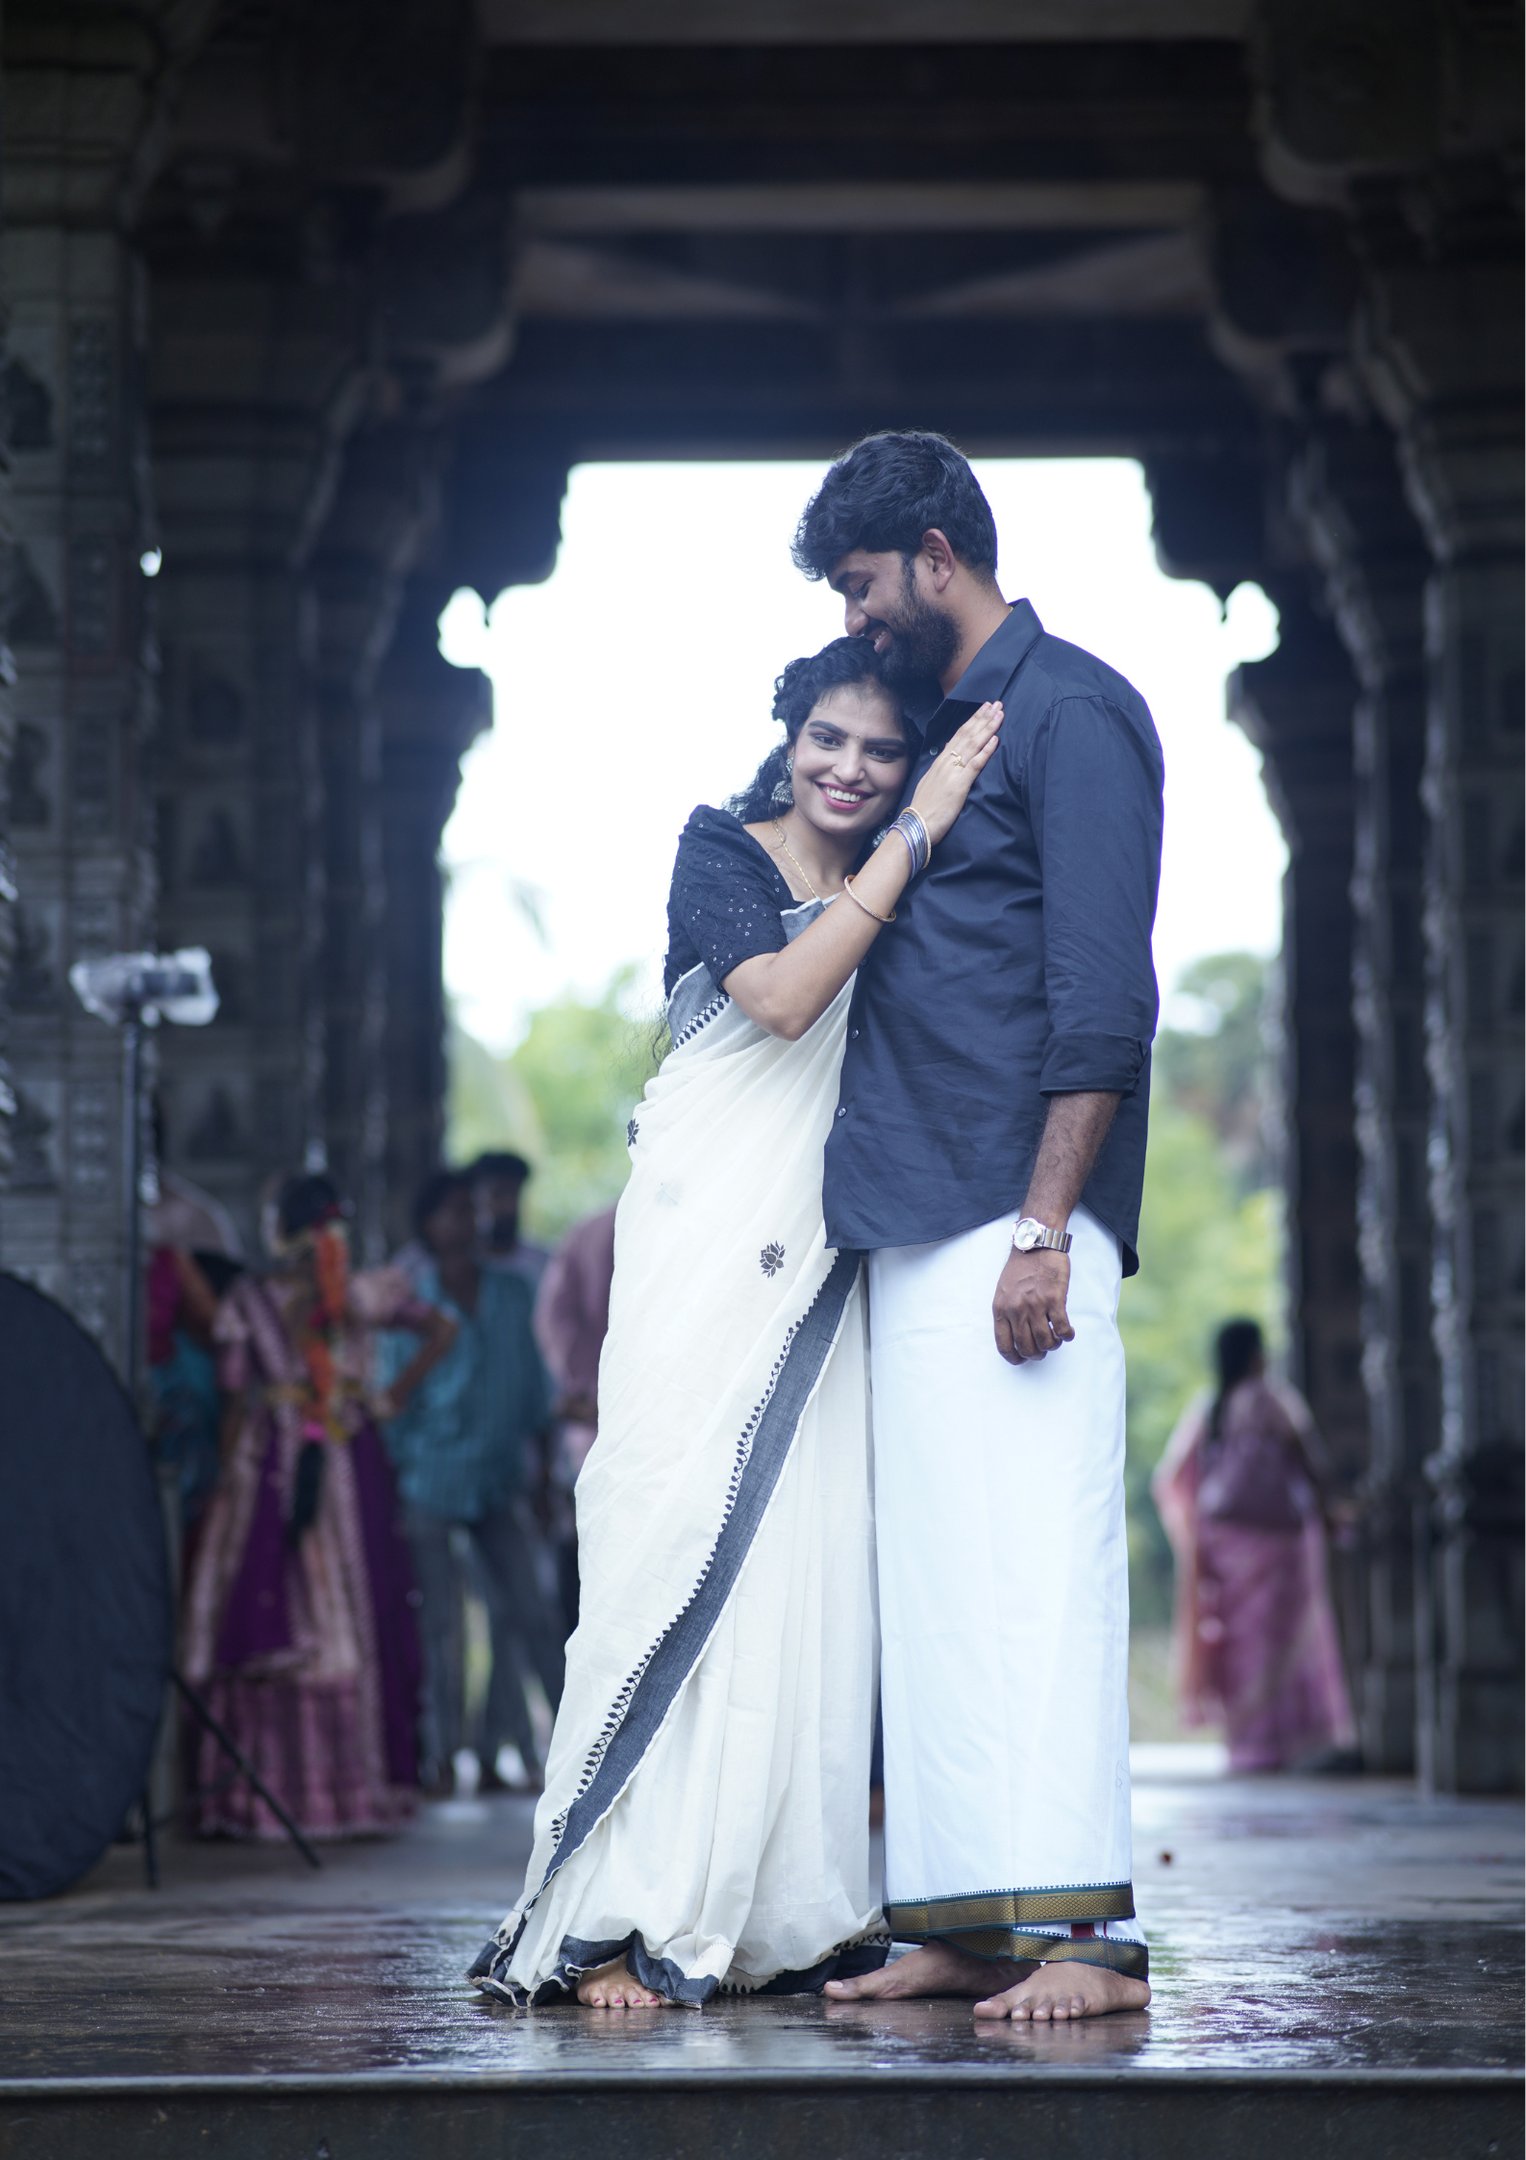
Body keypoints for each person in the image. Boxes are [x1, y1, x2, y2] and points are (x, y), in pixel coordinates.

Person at [470, 637, 1000, 2009]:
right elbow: (774, 999)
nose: (848, 769)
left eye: (882, 751)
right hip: (705, 1239)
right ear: (788, 735)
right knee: (666, 1521)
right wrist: (919, 829)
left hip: (821, 1258)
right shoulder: (721, 847)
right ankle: (612, 1910)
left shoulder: (904, 884)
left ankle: (773, 1908)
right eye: (828, 738)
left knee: (802, 1557)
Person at [795, 432, 1161, 2023]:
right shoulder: (933, 735)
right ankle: (965, 1924)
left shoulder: (1070, 711)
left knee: (1042, 1578)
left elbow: (1103, 992)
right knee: (941, 1594)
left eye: (863, 586)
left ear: (936, 557)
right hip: (910, 1209)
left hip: (1017, 1221)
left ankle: (1087, 1940)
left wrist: (1044, 1227)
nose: (855, 619)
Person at [180, 1173, 452, 1838]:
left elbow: (235, 1400)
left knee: (266, 1602)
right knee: (352, 1614)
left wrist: (224, 1486)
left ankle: (262, 1796)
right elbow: (441, 1329)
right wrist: (386, 1397)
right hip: (346, 1456)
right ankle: (350, 1792)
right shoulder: (354, 1293)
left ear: (279, 1227)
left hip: (268, 1467)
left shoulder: (252, 1300)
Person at [380, 1170, 566, 1799]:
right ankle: (439, 1756)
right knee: (440, 1625)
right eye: (455, 1211)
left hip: (500, 1477)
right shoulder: (412, 1298)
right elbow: (392, 1395)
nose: (469, 1222)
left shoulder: (514, 1292)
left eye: (472, 1211)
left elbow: (534, 1389)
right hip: (429, 1479)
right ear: (429, 1224)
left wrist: (543, 1473)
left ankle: (568, 1752)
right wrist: (400, 1471)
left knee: (529, 1614)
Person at [1152, 1318, 1357, 1773]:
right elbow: (1308, 1456)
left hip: (1224, 1545)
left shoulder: (1209, 1409)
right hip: (1281, 1542)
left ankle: (1247, 1741)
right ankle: (1285, 1743)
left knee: (1241, 1643)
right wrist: (1327, 1509)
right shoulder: (1271, 1399)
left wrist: (1195, 1533)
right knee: (1285, 1643)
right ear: (1255, 1355)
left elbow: (1171, 1477)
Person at [534, 1201, 618, 1633]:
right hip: (607, 1431)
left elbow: (555, 1320)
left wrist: (586, 1389)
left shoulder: (589, 1232)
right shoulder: (601, 1231)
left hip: (594, 1431)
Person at [470, 1151, 552, 1289]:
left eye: (513, 1194)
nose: (508, 1205)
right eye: (497, 1194)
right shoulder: (459, 1265)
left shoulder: (542, 1263)